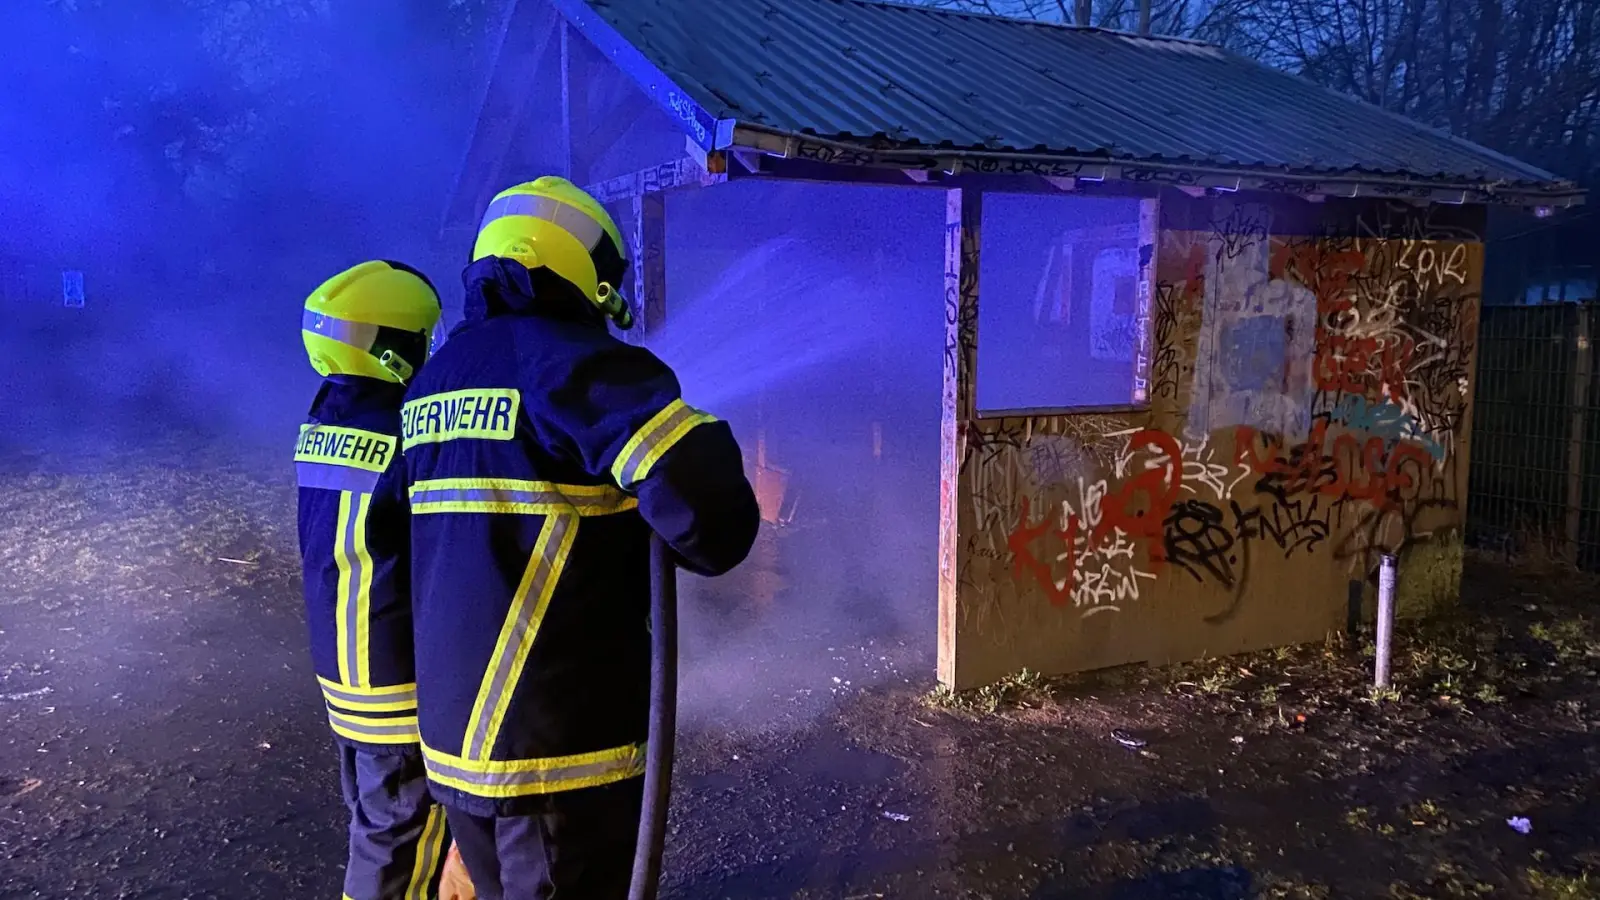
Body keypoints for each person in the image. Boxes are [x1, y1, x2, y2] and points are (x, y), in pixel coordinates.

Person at [399, 176, 761, 899]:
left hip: (456, 743)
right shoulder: (579, 366)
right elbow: (712, 526)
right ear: (588, 276)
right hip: (555, 751)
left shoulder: (433, 382)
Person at [295, 259, 452, 900]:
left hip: (345, 672)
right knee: (400, 846)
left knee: (374, 822)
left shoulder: (324, 421)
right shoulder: (405, 432)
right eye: (421, 338)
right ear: (394, 349)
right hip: (399, 679)